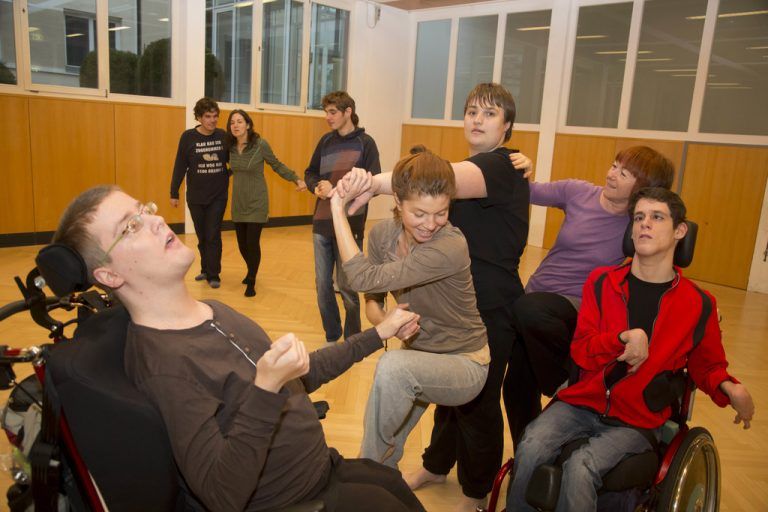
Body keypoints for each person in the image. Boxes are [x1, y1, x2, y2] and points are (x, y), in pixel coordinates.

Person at [51, 185, 427, 512]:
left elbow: (299, 375)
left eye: (144, 210)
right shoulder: (166, 366)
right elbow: (220, 494)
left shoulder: (210, 311)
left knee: (388, 482)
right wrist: (265, 388)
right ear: (110, 275)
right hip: (295, 501)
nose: (156, 220)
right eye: (130, 227)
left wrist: (378, 335)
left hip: (322, 469)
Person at [340, 83, 531, 512]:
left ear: (508, 128)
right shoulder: (483, 165)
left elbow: (432, 180)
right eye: (471, 112)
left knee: (478, 405)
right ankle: (436, 464)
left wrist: (369, 182)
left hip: (493, 305)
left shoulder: (501, 165)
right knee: (447, 401)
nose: (477, 120)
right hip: (452, 299)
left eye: (489, 114)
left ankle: (476, 493)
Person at [506, 187, 755, 512]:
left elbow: (706, 366)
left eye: (656, 217)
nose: (644, 224)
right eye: (638, 217)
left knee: (582, 467)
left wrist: (729, 388)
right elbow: (581, 351)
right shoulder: (601, 282)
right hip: (581, 402)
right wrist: (620, 340)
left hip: (636, 419)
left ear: (680, 230)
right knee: (531, 445)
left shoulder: (699, 304)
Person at [502, 146, 675, 448]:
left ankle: (563, 383)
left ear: (643, 188)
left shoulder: (636, 223)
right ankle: (528, 457)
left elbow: (666, 234)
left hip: (578, 306)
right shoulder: (578, 192)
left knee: (529, 310)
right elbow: (527, 192)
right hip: (537, 296)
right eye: (613, 165)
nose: (611, 174)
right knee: (515, 384)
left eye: (624, 173)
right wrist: (520, 168)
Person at [331, 149, 490, 472]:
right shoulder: (381, 236)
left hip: (464, 362)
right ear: (398, 203)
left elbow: (361, 277)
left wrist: (336, 208)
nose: (431, 224)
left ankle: (359, 475)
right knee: (389, 449)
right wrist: (387, 321)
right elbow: (373, 301)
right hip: (418, 356)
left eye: (441, 213)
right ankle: (379, 486)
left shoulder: (449, 245)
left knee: (392, 368)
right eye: (419, 214)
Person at [304, 91, 381, 344]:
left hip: (350, 225)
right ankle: (332, 335)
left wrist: (337, 191)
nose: (328, 117)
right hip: (321, 223)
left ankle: (353, 338)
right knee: (322, 285)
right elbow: (310, 172)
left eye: (333, 112)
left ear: (348, 112)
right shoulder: (325, 142)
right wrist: (317, 186)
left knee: (348, 287)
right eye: (326, 112)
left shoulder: (366, 143)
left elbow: (374, 182)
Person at [227, 109, 307, 297]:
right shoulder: (229, 147)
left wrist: (296, 179)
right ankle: (251, 269)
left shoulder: (260, 145)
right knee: (242, 245)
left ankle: (252, 280)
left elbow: (276, 164)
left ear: (248, 125)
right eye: (232, 122)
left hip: (257, 201)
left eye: (239, 121)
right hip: (238, 202)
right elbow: (228, 170)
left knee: (252, 244)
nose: (236, 125)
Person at [170, 97, 229, 289]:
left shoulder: (223, 136)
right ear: (199, 117)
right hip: (195, 196)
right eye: (208, 116)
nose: (212, 120)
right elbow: (180, 165)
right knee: (202, 235)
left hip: (218, 196)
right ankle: (205, 269)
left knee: (213, 234)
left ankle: (214, 274)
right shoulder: (188, 137)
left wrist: (226, 174)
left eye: (215, 116)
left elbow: (236, 160)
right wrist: (174, 192)